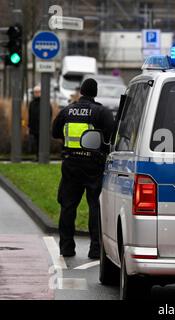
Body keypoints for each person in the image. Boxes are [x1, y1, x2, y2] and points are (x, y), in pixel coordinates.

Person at [52, 79, 115, 259]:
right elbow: (112, 134)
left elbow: (55, 132)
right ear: (95, 93)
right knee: (95, 206)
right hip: (93, 164)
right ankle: (95, 250)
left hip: (71, 164)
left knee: (68, 206)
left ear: (81, 92)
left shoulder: (67, 110)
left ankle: (66, 248)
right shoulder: (101, 112)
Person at [28, 85, 52, 160]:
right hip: (34, 127)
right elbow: (30, 115)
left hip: (43, 127)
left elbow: (49, 114)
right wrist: (29, 126)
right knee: (36, 143)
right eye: (35, 92)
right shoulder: (32, 103)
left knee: (43, 143)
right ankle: (37, 156)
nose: (36, 93)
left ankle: (43, 156)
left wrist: (48, 125)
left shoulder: (45, 102)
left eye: (38, 92)